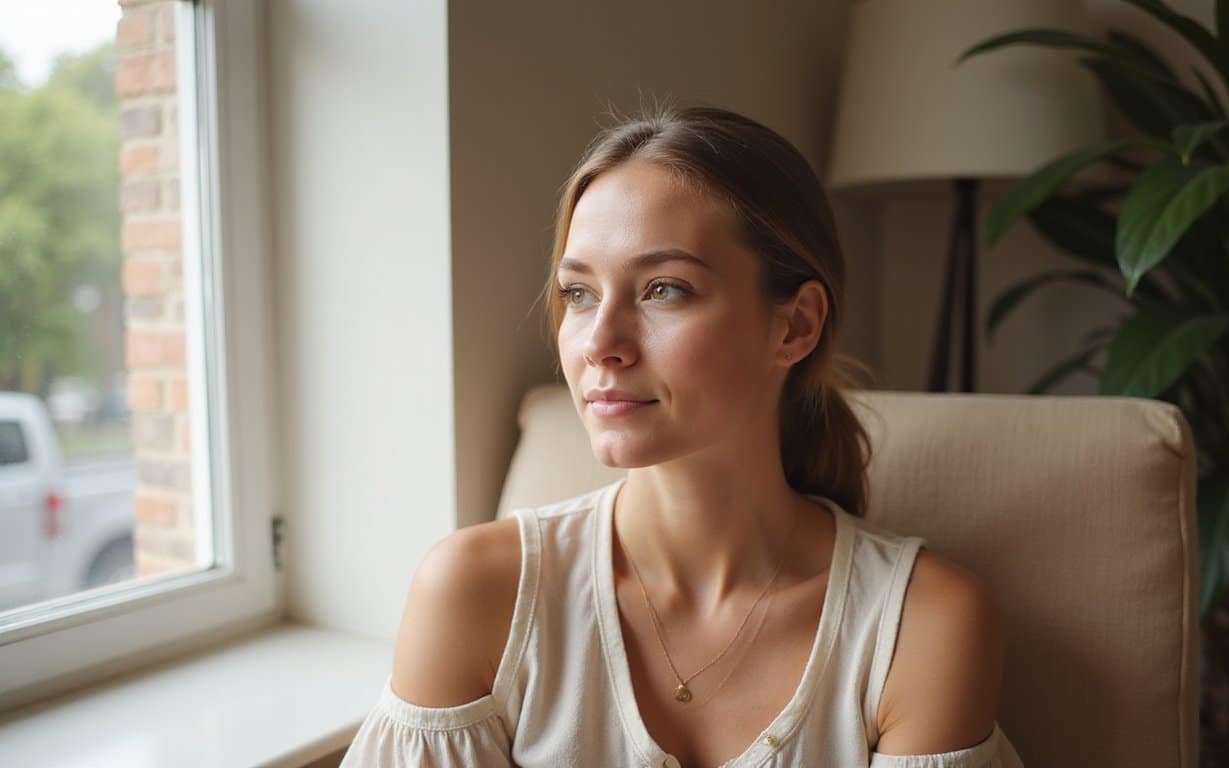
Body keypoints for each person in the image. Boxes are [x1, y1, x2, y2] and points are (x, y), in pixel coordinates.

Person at [339, 101, 1025, 768]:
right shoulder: (474, 593)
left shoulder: (923, 625)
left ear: (796, 326)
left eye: (663, 289)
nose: (599, 343)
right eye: (577, 293)